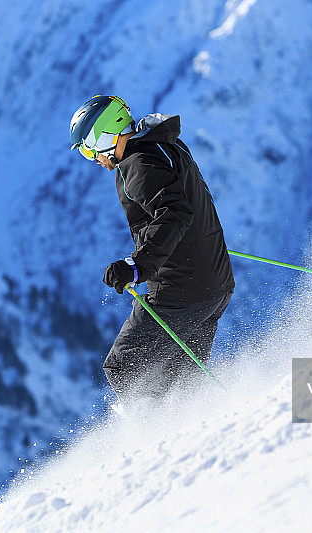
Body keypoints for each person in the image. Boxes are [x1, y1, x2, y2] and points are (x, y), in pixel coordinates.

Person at [69, 95, 234, 404]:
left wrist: (136, 266)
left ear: (103, 136)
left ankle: (150, 440)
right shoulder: (164, 146)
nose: (94, 160)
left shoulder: (139, 164)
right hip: (216, 283)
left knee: (123, 367)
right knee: (181, 384)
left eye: (89, 151)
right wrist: (200, 240)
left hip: (182, 291)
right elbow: (189, 207)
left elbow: (174, 214)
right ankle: (196, 435)